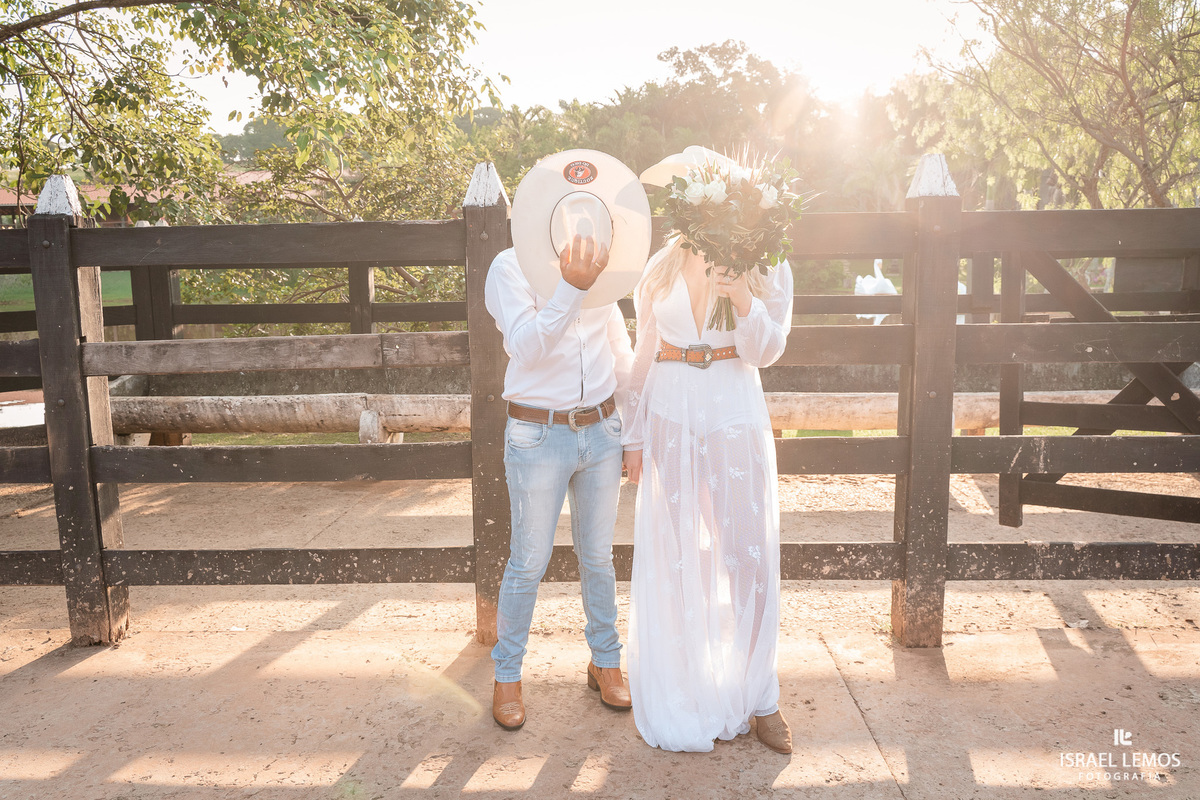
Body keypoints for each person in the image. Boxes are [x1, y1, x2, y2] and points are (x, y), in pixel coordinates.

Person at [484, 147, 652, 731]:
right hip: (537, 434)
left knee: (599, 558)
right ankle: (507, 676)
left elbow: (623, 352)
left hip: (601, 432)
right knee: (527, 563)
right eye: (569, 213)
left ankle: (606, 664)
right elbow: (528, 345)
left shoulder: (608, 266)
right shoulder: (509, 268)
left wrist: (630, 435)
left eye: (590, 213)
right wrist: (570, 288)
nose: (580, 225)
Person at [621, 238, 794, 753]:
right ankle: (687, 683)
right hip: (670, 410)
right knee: (676, 554)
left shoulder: (766, 259)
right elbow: (645, 349)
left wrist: (743, 297)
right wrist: (632, 435)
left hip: (732, 408)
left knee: (747, 554)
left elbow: (767, 351)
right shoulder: (661, 263)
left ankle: (761, 696)